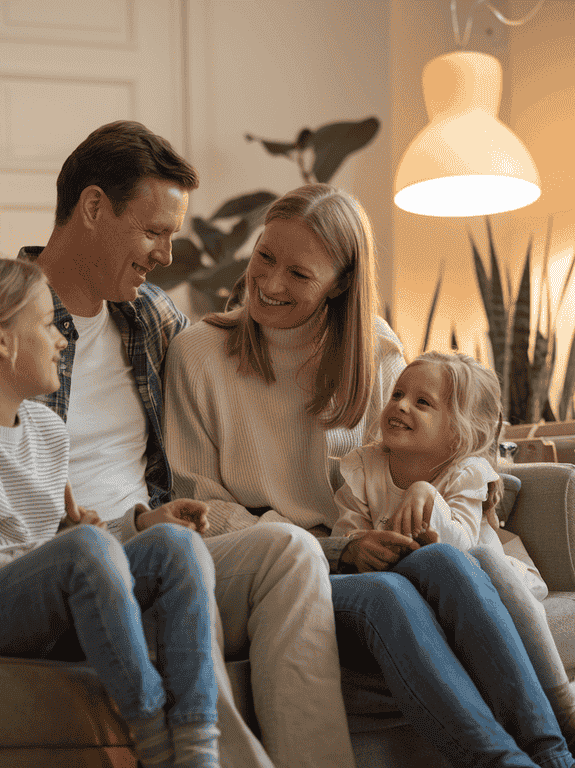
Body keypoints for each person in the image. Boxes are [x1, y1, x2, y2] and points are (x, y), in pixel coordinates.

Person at [0, 121, 353, 768]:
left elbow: (265, 342)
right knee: (120, 564)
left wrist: (354, 319)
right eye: (154, 231)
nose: (167, 254)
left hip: (139, 543)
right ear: (94, 207)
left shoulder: (154, 319)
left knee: (287, 552)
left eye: (173, 236)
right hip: (44, 569)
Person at [164, 182, 575, 768]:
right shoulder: (198, 354)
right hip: (286, 565)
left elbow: (415, 461)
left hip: (380, 549)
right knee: (385, 591)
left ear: (341, 285)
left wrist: (424, 502)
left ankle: (553, 753)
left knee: (444, 562)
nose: (271, 282)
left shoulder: (375, 351)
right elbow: (200, 503)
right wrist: (337, 547)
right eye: (264, 257)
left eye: (300, 274)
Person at [0, 255, 220, 768]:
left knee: (178, 545)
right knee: (84, 549)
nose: (62, 338)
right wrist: (60, 553)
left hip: (32, 605)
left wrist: (80, 533)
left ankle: (196, 746)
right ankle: (152, 736)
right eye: (46, 324)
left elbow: (49, 533)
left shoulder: (47, 430)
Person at [332, 350, 575, 748]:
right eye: (397, 394)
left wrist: (426, 493)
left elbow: (459, 548)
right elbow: (349, 537)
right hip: (415, 592)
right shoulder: (363, 467)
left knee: (484, 558)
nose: (400, 405)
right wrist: (361, 546)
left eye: (422, 402)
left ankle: (561, 701)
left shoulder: (464, 471)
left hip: (488, 584)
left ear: (458, 433)